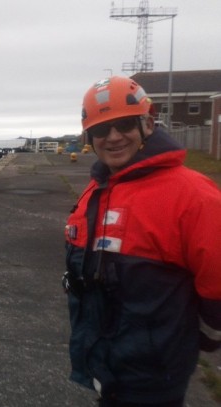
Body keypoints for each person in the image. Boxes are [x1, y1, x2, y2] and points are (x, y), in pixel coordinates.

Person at [63, 76, 221, 406]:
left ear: (147, 124)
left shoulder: (194, 196)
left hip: (152, 372)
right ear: (90, 137)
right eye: (102, 130)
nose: (114, 137)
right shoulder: (99, 188)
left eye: (124, 124)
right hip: (103, 359)